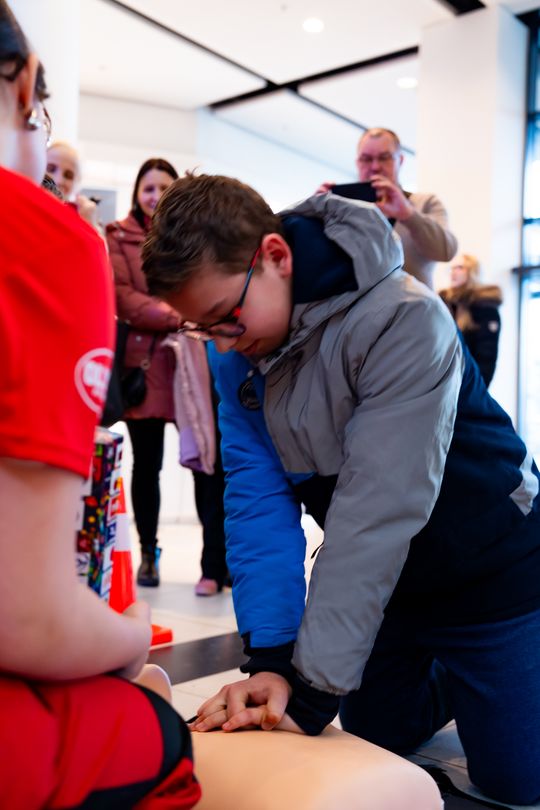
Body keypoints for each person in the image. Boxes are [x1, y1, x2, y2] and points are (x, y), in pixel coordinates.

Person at [141, 173, 540, 806]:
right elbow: (256, 503)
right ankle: (461, 677)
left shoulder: (405, 319)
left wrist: (310, 688)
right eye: (201, 328)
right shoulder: (238, 353)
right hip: (395, 581)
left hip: (493, 566)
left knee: (519, 780)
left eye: (225, 318)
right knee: (378, 729)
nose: (221, 342)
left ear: (275, 255)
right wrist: (272, 660)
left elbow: (374, 510)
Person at [0, 3, 201, 806]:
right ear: (22, 92)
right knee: (162, 730)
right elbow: (27, 617)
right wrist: (130, 642)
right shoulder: (53, 241)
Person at [106, 159, 227, 593]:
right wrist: (182, 315)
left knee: (207, 464)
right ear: (137, 191)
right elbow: (123, 296)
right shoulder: (117, 236)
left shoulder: (196, 235)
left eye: (164, 187)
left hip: (195, 363)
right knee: (148, 465)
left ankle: (215, 563)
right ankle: (148, 554)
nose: (155, 195)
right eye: (148, 187)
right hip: (147, 364)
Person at [318, 127, 458, 288]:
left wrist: (408, 214)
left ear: (401, 160)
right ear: (357, 163)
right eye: (366, 159)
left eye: (385, 158)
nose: (375, 166)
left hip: (412, 310)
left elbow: (446, 251)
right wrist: (316, 215)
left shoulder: (424, 203)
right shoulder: (340, 207)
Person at [439, 253, 503, 387]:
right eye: (452, 268)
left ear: (472, 272)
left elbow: (487, 356)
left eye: (460, 267)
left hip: (468, 385)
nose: (454, 272)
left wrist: (478, 390)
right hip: (441, 383)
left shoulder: (485, 308)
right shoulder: (442, 303)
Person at [46, 139, 101, 229]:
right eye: (51, 169)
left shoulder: (81, 216)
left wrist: (90, 226)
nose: (58, 180)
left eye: (69, 176)